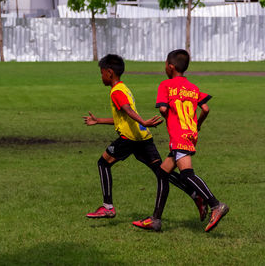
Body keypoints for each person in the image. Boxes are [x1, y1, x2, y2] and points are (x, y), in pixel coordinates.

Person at [84, 54, 207, 226]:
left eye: (102, 72)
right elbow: (124, 118)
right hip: (143, 138)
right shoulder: (123, 88)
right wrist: (99, 121)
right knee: (162, 172)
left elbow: (127, 110)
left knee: (103, 163)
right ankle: (196, 195)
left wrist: (142, 121)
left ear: (109, 72)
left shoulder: (117, 91)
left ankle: (107, 206)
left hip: (129, 139)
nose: (101, 76)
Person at [132, 49, 229, 232]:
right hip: (190, 134)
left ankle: (216, 205)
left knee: (186, 174)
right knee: (162, 173)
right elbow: (206, 108)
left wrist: (172, 119)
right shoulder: (192, 87)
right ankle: (155, 220)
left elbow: (162, 109)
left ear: (170, 67)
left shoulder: (166, 85)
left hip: (178, 136)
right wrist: (197, 124)